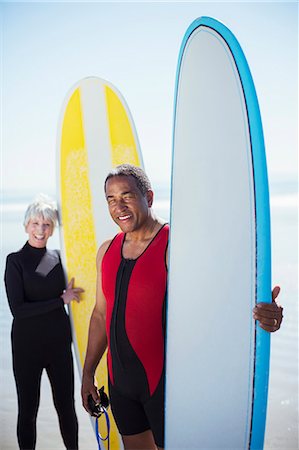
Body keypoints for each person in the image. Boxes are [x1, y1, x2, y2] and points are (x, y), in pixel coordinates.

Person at [81, 164, 283, 450]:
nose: (119, 206)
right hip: (121, 385)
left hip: (167, 386)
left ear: (148, 197)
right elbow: (101, 315)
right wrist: (88, 373)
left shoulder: (175, 245)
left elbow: (221, 296)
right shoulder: (106, 251)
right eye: (111, 199)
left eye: (127, 196)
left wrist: (266, 313)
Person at [4, 194, 84, 450]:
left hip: (59, 347)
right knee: (28, 410)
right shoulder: (15, 261)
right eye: (36, 223)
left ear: (53, 228)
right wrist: (61, 300)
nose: (41, 230)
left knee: (66, 408)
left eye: (47, 224)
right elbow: (18, 310)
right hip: (27, 348)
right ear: (26, 225)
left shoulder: (61, 258)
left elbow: (81, 289)